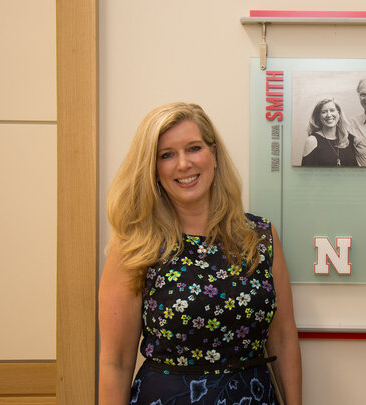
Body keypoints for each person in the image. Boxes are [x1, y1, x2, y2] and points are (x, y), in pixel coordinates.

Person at [98, 102, 302, 404]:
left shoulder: (259, 237)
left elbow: (284, 339)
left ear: (214, 154)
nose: (183, 164)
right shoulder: (136, 244)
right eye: (167, 155)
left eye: (193, 148)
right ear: (153, 168)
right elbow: (115, 362)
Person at [301, 98, 358, 167]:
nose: (329, 115)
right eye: (324, 112)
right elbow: (305, 175)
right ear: (318, 116)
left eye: (332, 110)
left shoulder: (349, 138)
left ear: (339, 113)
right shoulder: (312, 141)